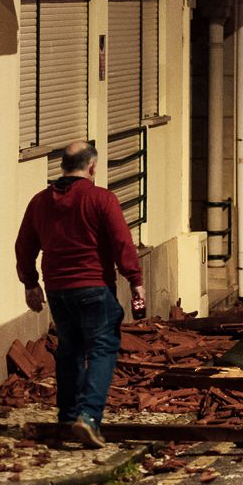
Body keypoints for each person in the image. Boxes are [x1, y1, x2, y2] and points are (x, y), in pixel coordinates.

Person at [15, 140, 144, 449]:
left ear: (62, 166)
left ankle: (67, 416)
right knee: (102, 347)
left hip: (58, 289)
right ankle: (87, 417)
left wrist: (30, 284)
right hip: (94, 287)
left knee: (70, 350)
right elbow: (121, 242)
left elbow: (24, 246)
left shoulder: (40, 202)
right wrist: (135, 279)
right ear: (92, 167)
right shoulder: (101, 199)